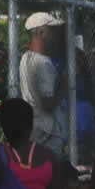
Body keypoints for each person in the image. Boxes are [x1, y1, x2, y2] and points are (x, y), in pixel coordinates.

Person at [19, 12, 66, 158]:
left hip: (36, 128)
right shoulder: (42, 62)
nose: (55, 37)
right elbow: (48, 104)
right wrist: (66, 81)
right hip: (48, 133)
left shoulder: (26, 58)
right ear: (41, 33)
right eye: (52, 31)